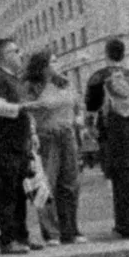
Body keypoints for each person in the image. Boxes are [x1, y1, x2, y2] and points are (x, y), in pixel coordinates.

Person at [0, 36, 38, 254]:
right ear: (3, 57)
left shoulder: (14, 80)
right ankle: (7, 240)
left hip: (19, 143)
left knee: (20, 192)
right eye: (15, 51)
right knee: (7, 193)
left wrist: (31, 131)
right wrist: (21, 108)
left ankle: (21, 236)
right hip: (3, 145)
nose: (20, 54)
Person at [24, 52, 83, 244]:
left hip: (67, 132)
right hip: (46, 135)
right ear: (43, 66)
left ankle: (71, 229)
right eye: (53, 61)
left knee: (70, 182)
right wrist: (32, 133)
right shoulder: (32, 87)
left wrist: (78, 120)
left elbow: (76, 104)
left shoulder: (64, 82)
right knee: (46, 183)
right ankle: (51, 232)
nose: (57, 64)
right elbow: (27, 111)